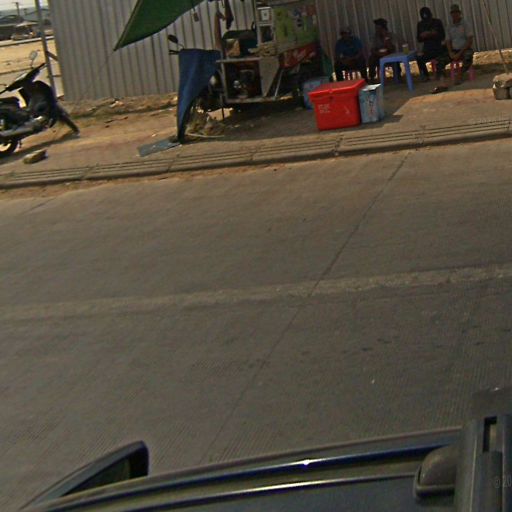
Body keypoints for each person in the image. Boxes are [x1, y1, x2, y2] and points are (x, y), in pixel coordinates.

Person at [432, 4, 474, 92]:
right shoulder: (449, 26)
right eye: (453, 13)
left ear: (459, 13)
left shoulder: (465, 24)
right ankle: (442, 82)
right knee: (439, 61)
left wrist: (460, 53)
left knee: (468, 57)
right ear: (451, 14)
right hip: (454, 50)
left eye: (456, 13)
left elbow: (469, 40)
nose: (455, 15)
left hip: (464, 49)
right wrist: (450, 52)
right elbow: (448, 41)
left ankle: (460, 75)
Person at [416, 7, 446, 82]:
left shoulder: (437, 22)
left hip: (438, 48)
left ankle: (440, 73)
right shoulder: (420, 24)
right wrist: (422, 36)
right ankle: (426, 75)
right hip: (427, 49)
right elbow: (419, 39)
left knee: (442, 56)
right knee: (419, 58)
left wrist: (432, 34)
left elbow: (443, 36)